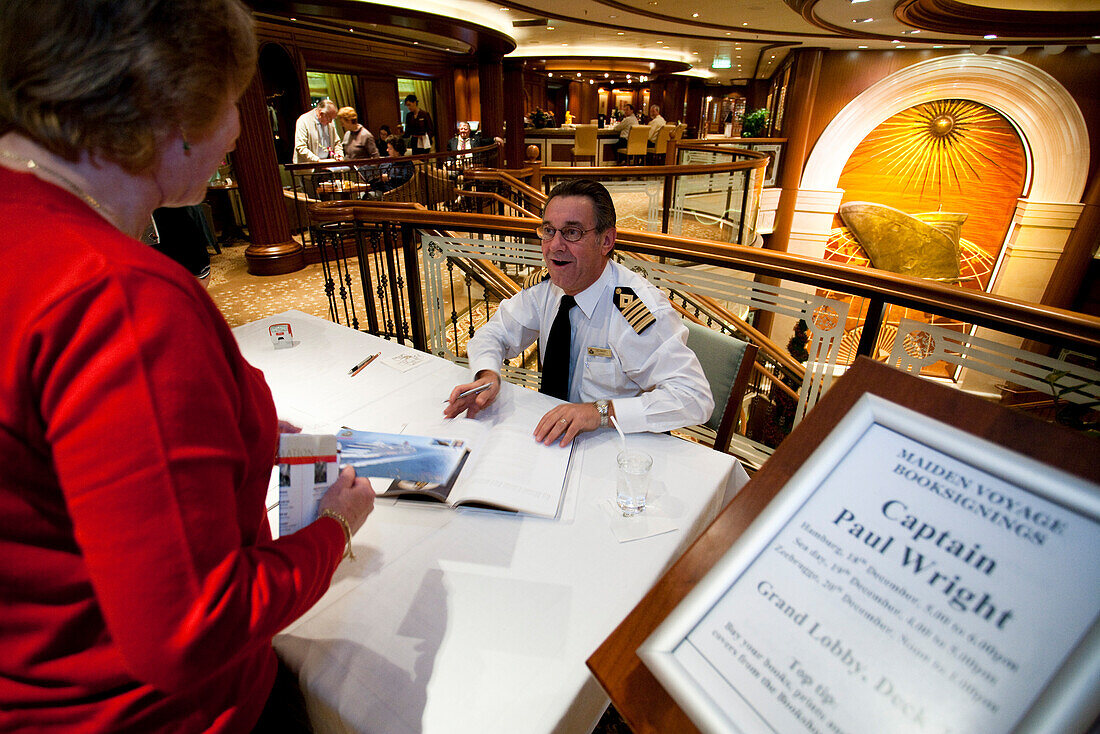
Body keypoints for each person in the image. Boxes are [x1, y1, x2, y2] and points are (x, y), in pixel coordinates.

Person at [0, 1, 375, 731]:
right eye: (238, 100)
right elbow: (191, 629)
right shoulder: (116, 297)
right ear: (175, 105)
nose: (242, 130)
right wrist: (334, 527)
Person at [445, 180, 713, 447]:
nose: (555, 245)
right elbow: (493, 333)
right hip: (553, 440)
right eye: (549, 231)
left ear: (606, 240)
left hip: (613, 446)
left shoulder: (633, 308)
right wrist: (487, 374)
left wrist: (601, 411)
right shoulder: (548, 288)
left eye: (572, 232)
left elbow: (694, 397)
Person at [292, 98, 343, 164]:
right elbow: (300, 147)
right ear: (321, 114)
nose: (330, 121)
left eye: (332, 119)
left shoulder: (330, 123)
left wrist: (339, 155)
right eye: (329, 118)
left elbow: (336, 143)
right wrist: (318, 161)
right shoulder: (304, 120)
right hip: (308, 168)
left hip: (328, 166)